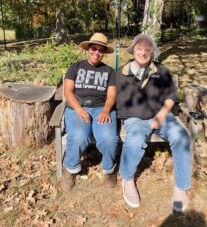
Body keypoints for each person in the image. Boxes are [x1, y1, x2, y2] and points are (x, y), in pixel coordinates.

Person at [116, 34, 191, 212]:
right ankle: (127, 179)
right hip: (134, 117)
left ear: (152, 53)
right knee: (134, 139)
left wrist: (161, 115)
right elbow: (112, 98)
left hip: (161, 115)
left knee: (181, 137)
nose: (143, 52)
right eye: (139, 49)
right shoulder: (121, 73)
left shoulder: (161, 71)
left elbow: (172, 97)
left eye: (147, 50)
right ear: (133, 50)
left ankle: (181, 186)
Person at [61, 33, 119, 191]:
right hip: (77, 107)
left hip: (102, 108)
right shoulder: (75, 67)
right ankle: (70, 168)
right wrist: (79, 109)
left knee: (109, 139)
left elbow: (112, 94)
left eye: (101, 50)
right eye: (94, 48)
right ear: (88, 49)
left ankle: (109, 170)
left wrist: (107, 110)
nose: (97, 53)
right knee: (79, 137)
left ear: (104, 53)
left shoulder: (109, 72)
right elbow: (68, 91)